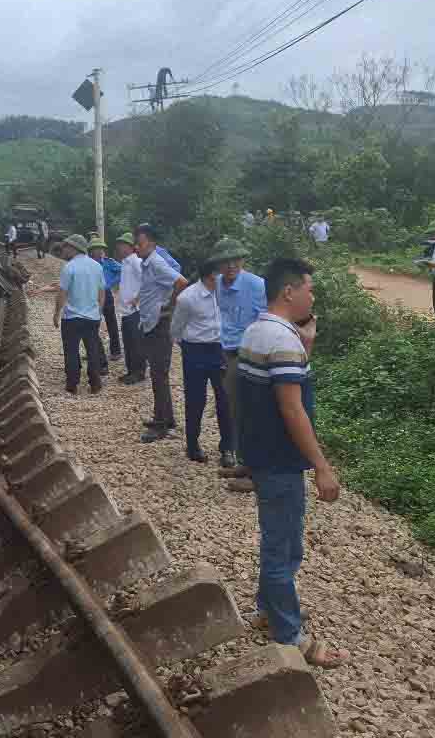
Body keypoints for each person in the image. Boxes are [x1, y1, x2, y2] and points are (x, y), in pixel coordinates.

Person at [238, 256, 349, 668]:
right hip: (282, 460)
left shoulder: (259, 330)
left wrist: (307, 346)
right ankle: (289, 635)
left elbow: (271, 389)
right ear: (289, 291)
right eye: (309, 287)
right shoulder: (282, 340)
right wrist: (321, 465)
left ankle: (268, 609)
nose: (312, 295)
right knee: (282, 548)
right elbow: (291, 407)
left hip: (263, 455)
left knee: (280, 539)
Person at [211, 237, 267, 488]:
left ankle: (259, 473)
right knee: (237, 411)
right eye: (225, 261)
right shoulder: (219, 284)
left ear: (243, 261)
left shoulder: (256, 285)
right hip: (227, 351)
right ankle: (246, 463)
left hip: (249, 355)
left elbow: (267, 318)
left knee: (252, 412)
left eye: (236, 260)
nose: (231, 265)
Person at [135, 224, 189, 442]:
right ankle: (166, 418)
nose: (136, 246)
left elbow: (181, 282)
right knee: (159, 374)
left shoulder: (156, 262)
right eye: (136, 243)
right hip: (152, 323)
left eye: (140, 242)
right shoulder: (149, 264)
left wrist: (169, 306)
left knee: (159, 374)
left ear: (152, 243)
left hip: (159, 325)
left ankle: (161, 425)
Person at [171, 259, 227, 463]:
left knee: (225, 399)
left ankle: (227, 448)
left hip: (220, 349)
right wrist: (186, 346)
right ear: (208, 276)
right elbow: (176, 328)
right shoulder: (188, 298)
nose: (222, 278)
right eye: (218, 275)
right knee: (196, 400)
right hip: (195, 350)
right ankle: (193, 445)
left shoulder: (225, 294)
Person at [52, 234, 106, 395]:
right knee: (93, 350)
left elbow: (62, 292)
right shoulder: (97, 266)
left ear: (74, 248)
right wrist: (99, 311)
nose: (65, 249)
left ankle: (72, 384)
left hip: (72, 317)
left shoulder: (69, 267)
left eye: (67, 246)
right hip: (92, 317)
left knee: (71, 351)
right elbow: (102, 291)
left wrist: (56, 313)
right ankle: (95, 383)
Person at [114, 232, 145, 383]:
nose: (119, 247)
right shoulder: (125, 262)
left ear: (130, 247)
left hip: (135, 310)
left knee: (136, 342)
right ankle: (131, 370)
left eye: (122, 244)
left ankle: (138, 372)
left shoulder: (135, 261)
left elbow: (147, 281)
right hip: (126, 310)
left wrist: (137, 299)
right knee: (128, 342)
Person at [89, 237, 122, 370]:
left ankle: (115, 351)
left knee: (111, 322)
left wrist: (110, 283)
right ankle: (94, 349)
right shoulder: (87, 264)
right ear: (91, 251)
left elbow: (123, 270)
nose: (100, 251)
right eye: (97, 249)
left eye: (101, 248)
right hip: (91, 295)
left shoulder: (109, 263)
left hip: (106, 295)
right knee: (92, 323)